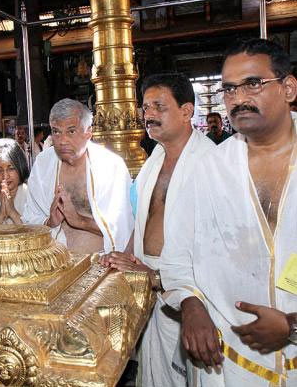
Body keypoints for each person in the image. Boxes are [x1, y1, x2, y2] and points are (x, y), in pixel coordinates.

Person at [161, 38, 297, 386]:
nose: (238, 99)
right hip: (230, 363)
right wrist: (191, 306)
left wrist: (291, 327)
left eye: (253, 84)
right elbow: (177, 257)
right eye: (229, 90)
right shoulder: (207, 170)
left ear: (288, 88)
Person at [100, 73, 215, 387]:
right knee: (156, 375)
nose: (148, 114)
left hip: (192, 292)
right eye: (145, 107)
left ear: (186, 111)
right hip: (150, 284)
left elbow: (217, 247)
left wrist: (163, 277)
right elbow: (143, 221)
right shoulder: (155, 159)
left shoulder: (210, 163)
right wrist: (124, 259)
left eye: (159, 107)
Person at [23, 98, 133, 254]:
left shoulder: (111, 166)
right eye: (56, 131)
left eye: (71, 131)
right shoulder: (43, 164)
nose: (62, 141)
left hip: (101, 262)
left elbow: (123, 229)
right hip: (52, 261)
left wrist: (80, 221)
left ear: (88, 132)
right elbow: (30, 218)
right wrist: (50, 221)